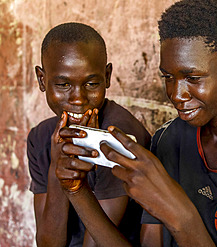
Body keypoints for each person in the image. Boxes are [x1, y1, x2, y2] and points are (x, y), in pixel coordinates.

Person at [55, 0, 217, 246]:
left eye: (193, 77)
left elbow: (180, 220)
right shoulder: (168, 139)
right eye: (168, 77)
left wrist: (181, 217)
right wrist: (77, 191)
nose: (177, 94)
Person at [27, 22, 151, 247]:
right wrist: (57, 170)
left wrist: (75, 184)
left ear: (107, 76)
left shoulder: (118, 136)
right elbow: (48, 243)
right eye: (63, 84)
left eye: (92, 83)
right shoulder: (40, 137)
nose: (78, 99)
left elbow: (96, 244)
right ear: (42, 80)